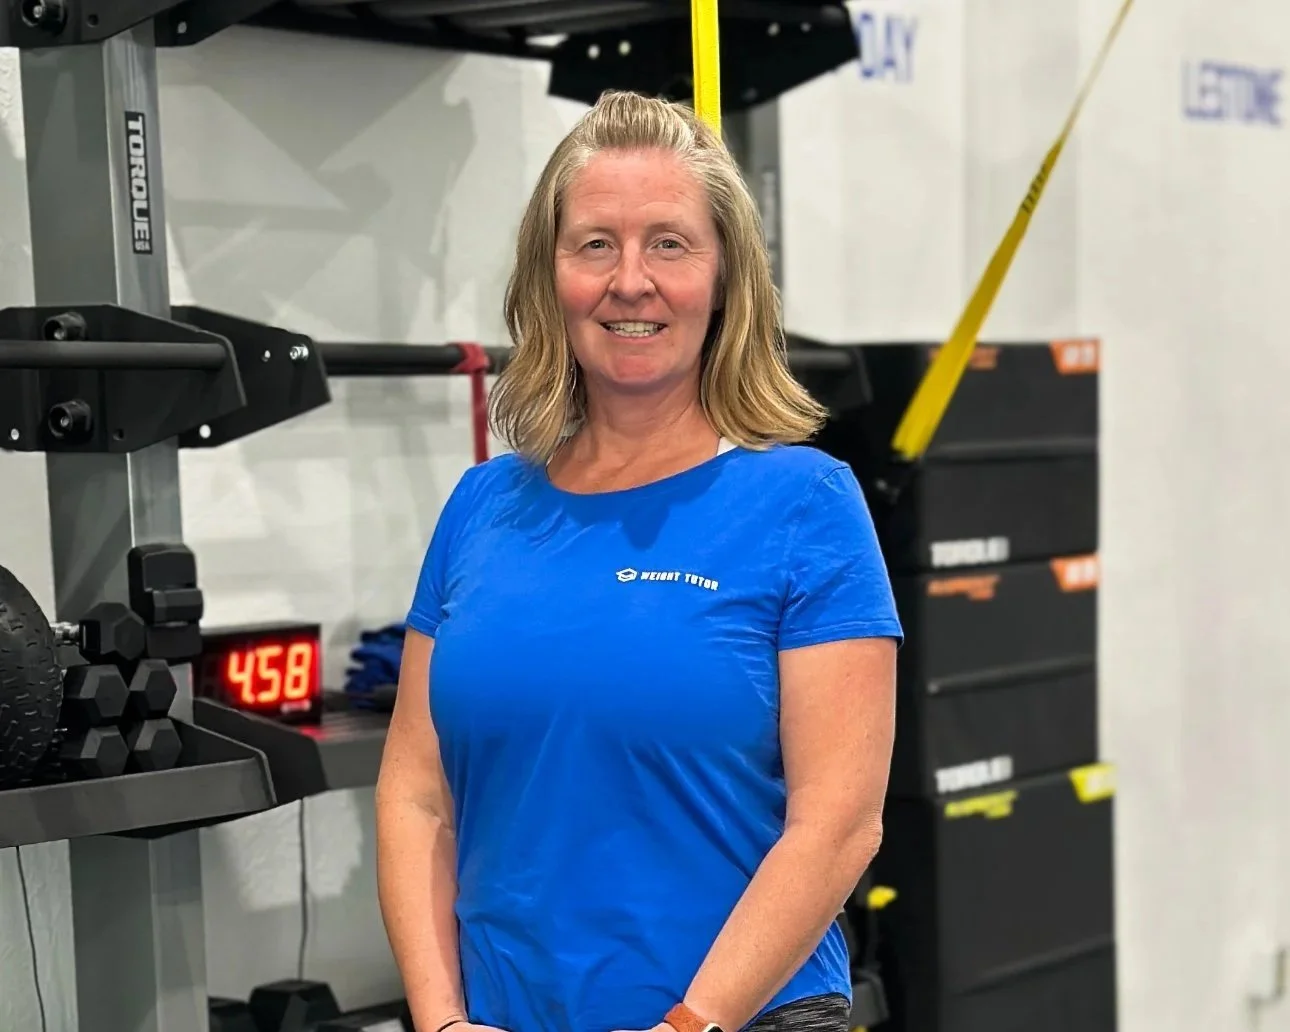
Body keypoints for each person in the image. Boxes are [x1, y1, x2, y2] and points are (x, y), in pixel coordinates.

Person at [375, 90, 902, 1032]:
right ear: (552, 278)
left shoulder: (805, 504)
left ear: (725, 279)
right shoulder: (481, 507)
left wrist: (688, 1026)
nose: (631, 281)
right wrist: (441, 1021)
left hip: (736, 1020)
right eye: (595, 245)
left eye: (669, 243)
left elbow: (838, 826)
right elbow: (416, 795)